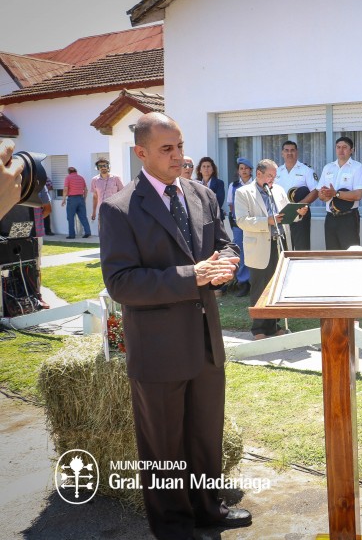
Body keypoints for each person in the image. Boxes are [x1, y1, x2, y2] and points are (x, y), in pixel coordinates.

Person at [99, 112, 249, 539]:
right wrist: (194, 276)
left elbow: (222, 243)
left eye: (180, 146)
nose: (178, 156)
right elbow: (121, 282)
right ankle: (173, 526)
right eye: (167, 149)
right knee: (163, 446)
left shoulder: (202, 194)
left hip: (205, 343)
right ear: (141, 153)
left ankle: (208, 509)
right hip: (159, 349)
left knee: (205, 435)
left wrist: (227, 261)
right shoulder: (119, 209)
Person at [235, 159, 307, 340]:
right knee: (260, 289)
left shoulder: (279, 190)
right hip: (260, 247)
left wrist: (297, 215)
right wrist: (266, 221)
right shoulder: (243, 193)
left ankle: (274, 325)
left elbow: (285, 217)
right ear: (258, 174)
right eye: (269, 176)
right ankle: (259, 329)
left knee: (277, 287)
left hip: (279, 244)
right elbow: (241, 221)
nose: (273, 179)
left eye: (274, 176)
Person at [317, 136, 362, 250]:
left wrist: (336, 194)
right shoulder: (328, 168)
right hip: (330, 217)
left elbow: (358, 195)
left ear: (351, 150)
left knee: (350, 255)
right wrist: (324, 194)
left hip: (348, 218)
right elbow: (320, 194)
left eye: (344, 147)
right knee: (332, 255)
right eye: (338, 147)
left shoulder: (357, 167)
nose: (341, 150)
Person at [274, 140, 319, 250]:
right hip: (281, 213)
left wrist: (299, 206)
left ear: (297, 152)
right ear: (282, 153)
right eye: (286, 150)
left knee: (301, 248)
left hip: (301, 213)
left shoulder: (306, 170)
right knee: (283, 248)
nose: (289, 153)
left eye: (292, 150)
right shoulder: (277, 171)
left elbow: (316, 191)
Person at [227, 157, 254, 297]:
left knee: (254, 250)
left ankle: (253, 281)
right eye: (241, 168)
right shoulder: (233, 185)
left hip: (253, 222)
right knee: (241, 251)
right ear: (238, 171)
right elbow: (230, 205)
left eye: (246, 168)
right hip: (238, 223)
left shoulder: (256, 184)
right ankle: (243, 282)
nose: (244, 171)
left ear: (251, 170)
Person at [90, 158, 124, 223]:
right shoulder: (94, 180)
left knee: (115, 231)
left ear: (108, 166)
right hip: (102, 210)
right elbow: (95, 197)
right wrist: (94, 212)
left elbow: (123, 194)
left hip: (115, 210)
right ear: (97, 168)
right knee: (103, 231)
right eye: (100, 166)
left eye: (105, 165)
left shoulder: (116, 178)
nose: (103, 168)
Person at [61, 166, 91, 239]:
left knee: (70, 217)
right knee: (83, 217)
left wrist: (63, 199)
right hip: (81, 198)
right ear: (76, 171)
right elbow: (86, 190)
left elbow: (65, 189)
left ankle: (72, 235)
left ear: (69, 172)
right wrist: (84, 199)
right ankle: (87, 232)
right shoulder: (81, 178)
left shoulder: (68, 178)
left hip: (72, 199)